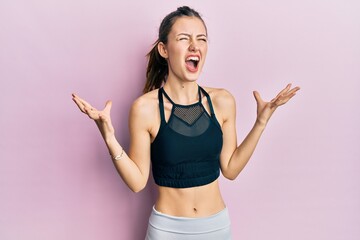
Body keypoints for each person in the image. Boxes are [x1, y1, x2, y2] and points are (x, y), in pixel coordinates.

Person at [72, 6, 300, 240]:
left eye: (201, 39)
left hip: (216, 227)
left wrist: (261, 122)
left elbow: (231, 169)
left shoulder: (222, 101)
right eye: (184, 38)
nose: (195, 46)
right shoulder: (145, 108)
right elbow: (138, 182)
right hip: (167, 230)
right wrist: (109, 137)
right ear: (164, 49)